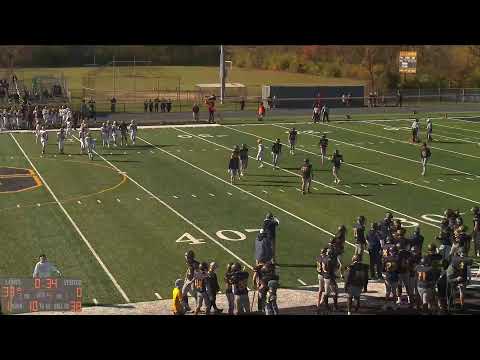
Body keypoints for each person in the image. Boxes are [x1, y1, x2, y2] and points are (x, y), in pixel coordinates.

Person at [319, 248, 339, 313]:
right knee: (335, 292)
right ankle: (334, 307)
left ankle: (324, 305)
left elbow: (324, 269)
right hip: (330, 277)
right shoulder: (329, 260)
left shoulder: (324, 259)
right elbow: (331, 270)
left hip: (325, 277)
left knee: (327, 292)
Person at [316, 248, 328, 312]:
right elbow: (325, 268)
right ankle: (322, 301)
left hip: (319, 275)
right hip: (324, 275)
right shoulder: (325, 258)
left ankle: (318, 303)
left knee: (320, 290)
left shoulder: (318, 257)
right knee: (327, 291)